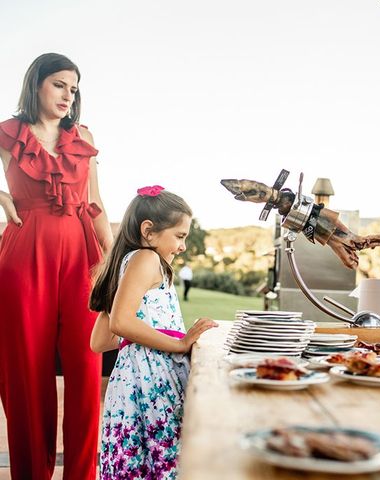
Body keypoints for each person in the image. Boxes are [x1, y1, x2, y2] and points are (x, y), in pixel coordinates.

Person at [0, 53, 113, 478]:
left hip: (82, 259)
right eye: (59, 84)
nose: (69, 94)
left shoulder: (82, 135)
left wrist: (114, 259)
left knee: (86, 374)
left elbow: (96, 202)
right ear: (37, 84)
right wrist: (1, 196)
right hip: (22, 259)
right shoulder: (8, 134)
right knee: (25, 377)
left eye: (74, 87)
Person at [89, 186, 217, 479]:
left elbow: (99, 341)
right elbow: (120, 323)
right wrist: (179, 342)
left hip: (131, 384)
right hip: (152, 382)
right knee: (165, 460)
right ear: (148, 230)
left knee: (141, 463)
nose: (183, 246)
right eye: (180, 236)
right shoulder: (145, 259)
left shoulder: (129, 264)